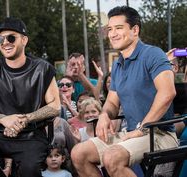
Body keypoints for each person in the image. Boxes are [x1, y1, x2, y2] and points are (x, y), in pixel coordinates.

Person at [71, 6, 178, 177]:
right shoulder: (118, 66)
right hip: (133, 134)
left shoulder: (153, 54)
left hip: (159, 134)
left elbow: (167, 93)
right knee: (79, 153)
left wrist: (141, 129)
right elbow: (112, 102)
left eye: (119, 28)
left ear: (135, 30)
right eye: (110, 29)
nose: (112, 34)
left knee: (111, 157)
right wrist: (105, 115)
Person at [0, 17, 61, 177]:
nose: (5, 42)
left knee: (30, 169)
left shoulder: (42, 68)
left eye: (11, 37)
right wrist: (3, 119)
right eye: (0, 39)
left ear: (24, 40)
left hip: (30, 133)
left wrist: (24, 119)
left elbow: (55, 106)